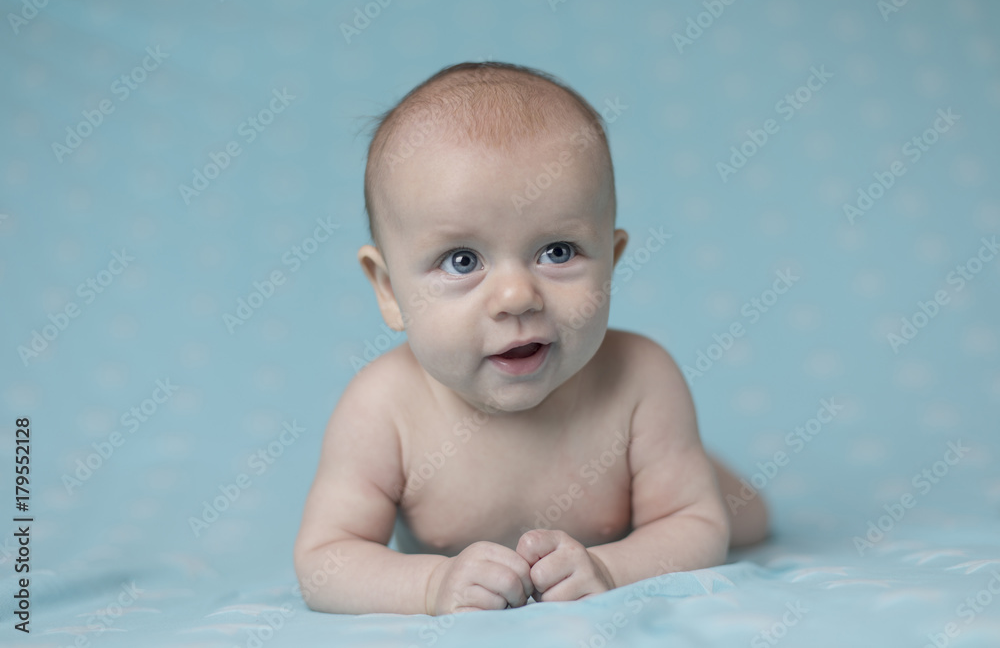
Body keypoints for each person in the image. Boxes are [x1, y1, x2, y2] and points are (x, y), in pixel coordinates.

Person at [294, 61, 768, 616]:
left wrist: (611, 568)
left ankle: (691, 464)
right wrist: (432, 584)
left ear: (611, 263)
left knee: (749, 519)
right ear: (389, 290)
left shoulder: (641, 380)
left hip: (663, 479)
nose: (517, 296)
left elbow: (696, 526)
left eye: (557, 252)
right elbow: (326, 563)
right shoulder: (383, 408)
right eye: (462, 260)